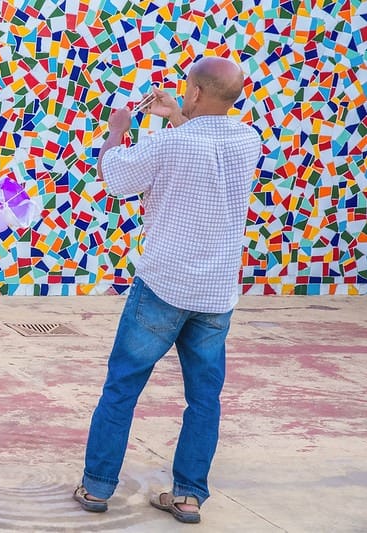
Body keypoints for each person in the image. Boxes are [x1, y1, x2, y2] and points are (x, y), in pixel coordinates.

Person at [73, 56, 262, 524]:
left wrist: (118, 129)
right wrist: (177, 113)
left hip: (162, 286)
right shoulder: (248, 140)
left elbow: (115, 178)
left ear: (195, 92)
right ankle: (188, 496)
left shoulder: (166, 145)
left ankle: (97, 488)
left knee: (122, 388)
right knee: (204, 399)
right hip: (216, 296)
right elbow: (203, 144)